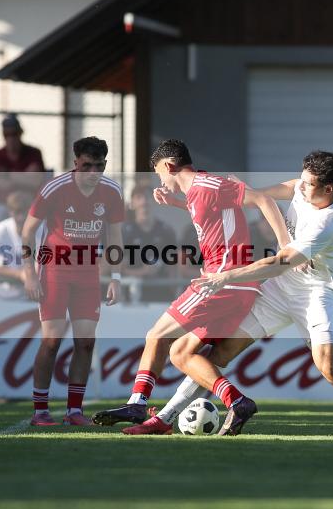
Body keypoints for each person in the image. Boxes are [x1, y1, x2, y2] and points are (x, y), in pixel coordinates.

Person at [149, 151, 333, 440]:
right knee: (220, 352)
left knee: (330, 368)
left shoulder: (328, 222)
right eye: (303, 179)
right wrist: (253, 194)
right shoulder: (306, 185)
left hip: (314, 293)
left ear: (328, 189)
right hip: (278, 291)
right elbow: (288, 188)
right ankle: (164, 417)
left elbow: (279, 263)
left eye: (309, 184)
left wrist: (227, 276)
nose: (302, 186)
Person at [91, 139, 291, 434]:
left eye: (159, 173)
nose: (159, 179)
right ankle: (237, 402)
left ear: (170, 166)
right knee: (182, 353)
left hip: (223, 282)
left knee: (156, 336)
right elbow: (211, 214)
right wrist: (175, 203)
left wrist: (285, 246)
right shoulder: (198, 193)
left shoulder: (208, 184)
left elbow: (264, 200)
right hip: (236, 286)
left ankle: (137, 402)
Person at [20, 137, 124, 426]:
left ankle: (74, 412)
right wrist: (28, 272)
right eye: (86, 166)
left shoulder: (112, 192)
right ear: (74, 163)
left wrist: (115, 277)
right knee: (52, 341)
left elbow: (115, 238)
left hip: (88, 273)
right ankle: (40, 411)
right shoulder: (54, 189)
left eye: (99, 166)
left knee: (86, 343)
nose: (93, 172)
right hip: (54, 270)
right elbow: (27, 233)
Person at [121, 185, 177, 302]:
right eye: (139, 198)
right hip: (133, 296)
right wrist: (143, 272)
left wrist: (175, 292)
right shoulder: (125, 232)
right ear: (132, 203)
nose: (144, 202)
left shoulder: (166, 231)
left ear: (154, 200)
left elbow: (173, 268)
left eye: (147, 197)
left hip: (162, 294)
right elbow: (119, 268)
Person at [0, 114, 45, 222]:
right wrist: (23, 177)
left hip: (28, 203)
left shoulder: (34, 153)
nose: (11, 138)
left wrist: (5, 174)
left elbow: (35, 181)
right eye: (7, 134)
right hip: (4, 204)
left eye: (14, 134)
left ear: (21, 133)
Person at [0, 190, 32, 301]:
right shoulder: (0, 230)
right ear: (10, 212)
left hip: (29, 297)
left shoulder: (42, 230)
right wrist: (19, 274)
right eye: (17, 212)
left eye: (25, 212)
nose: (21, 217)